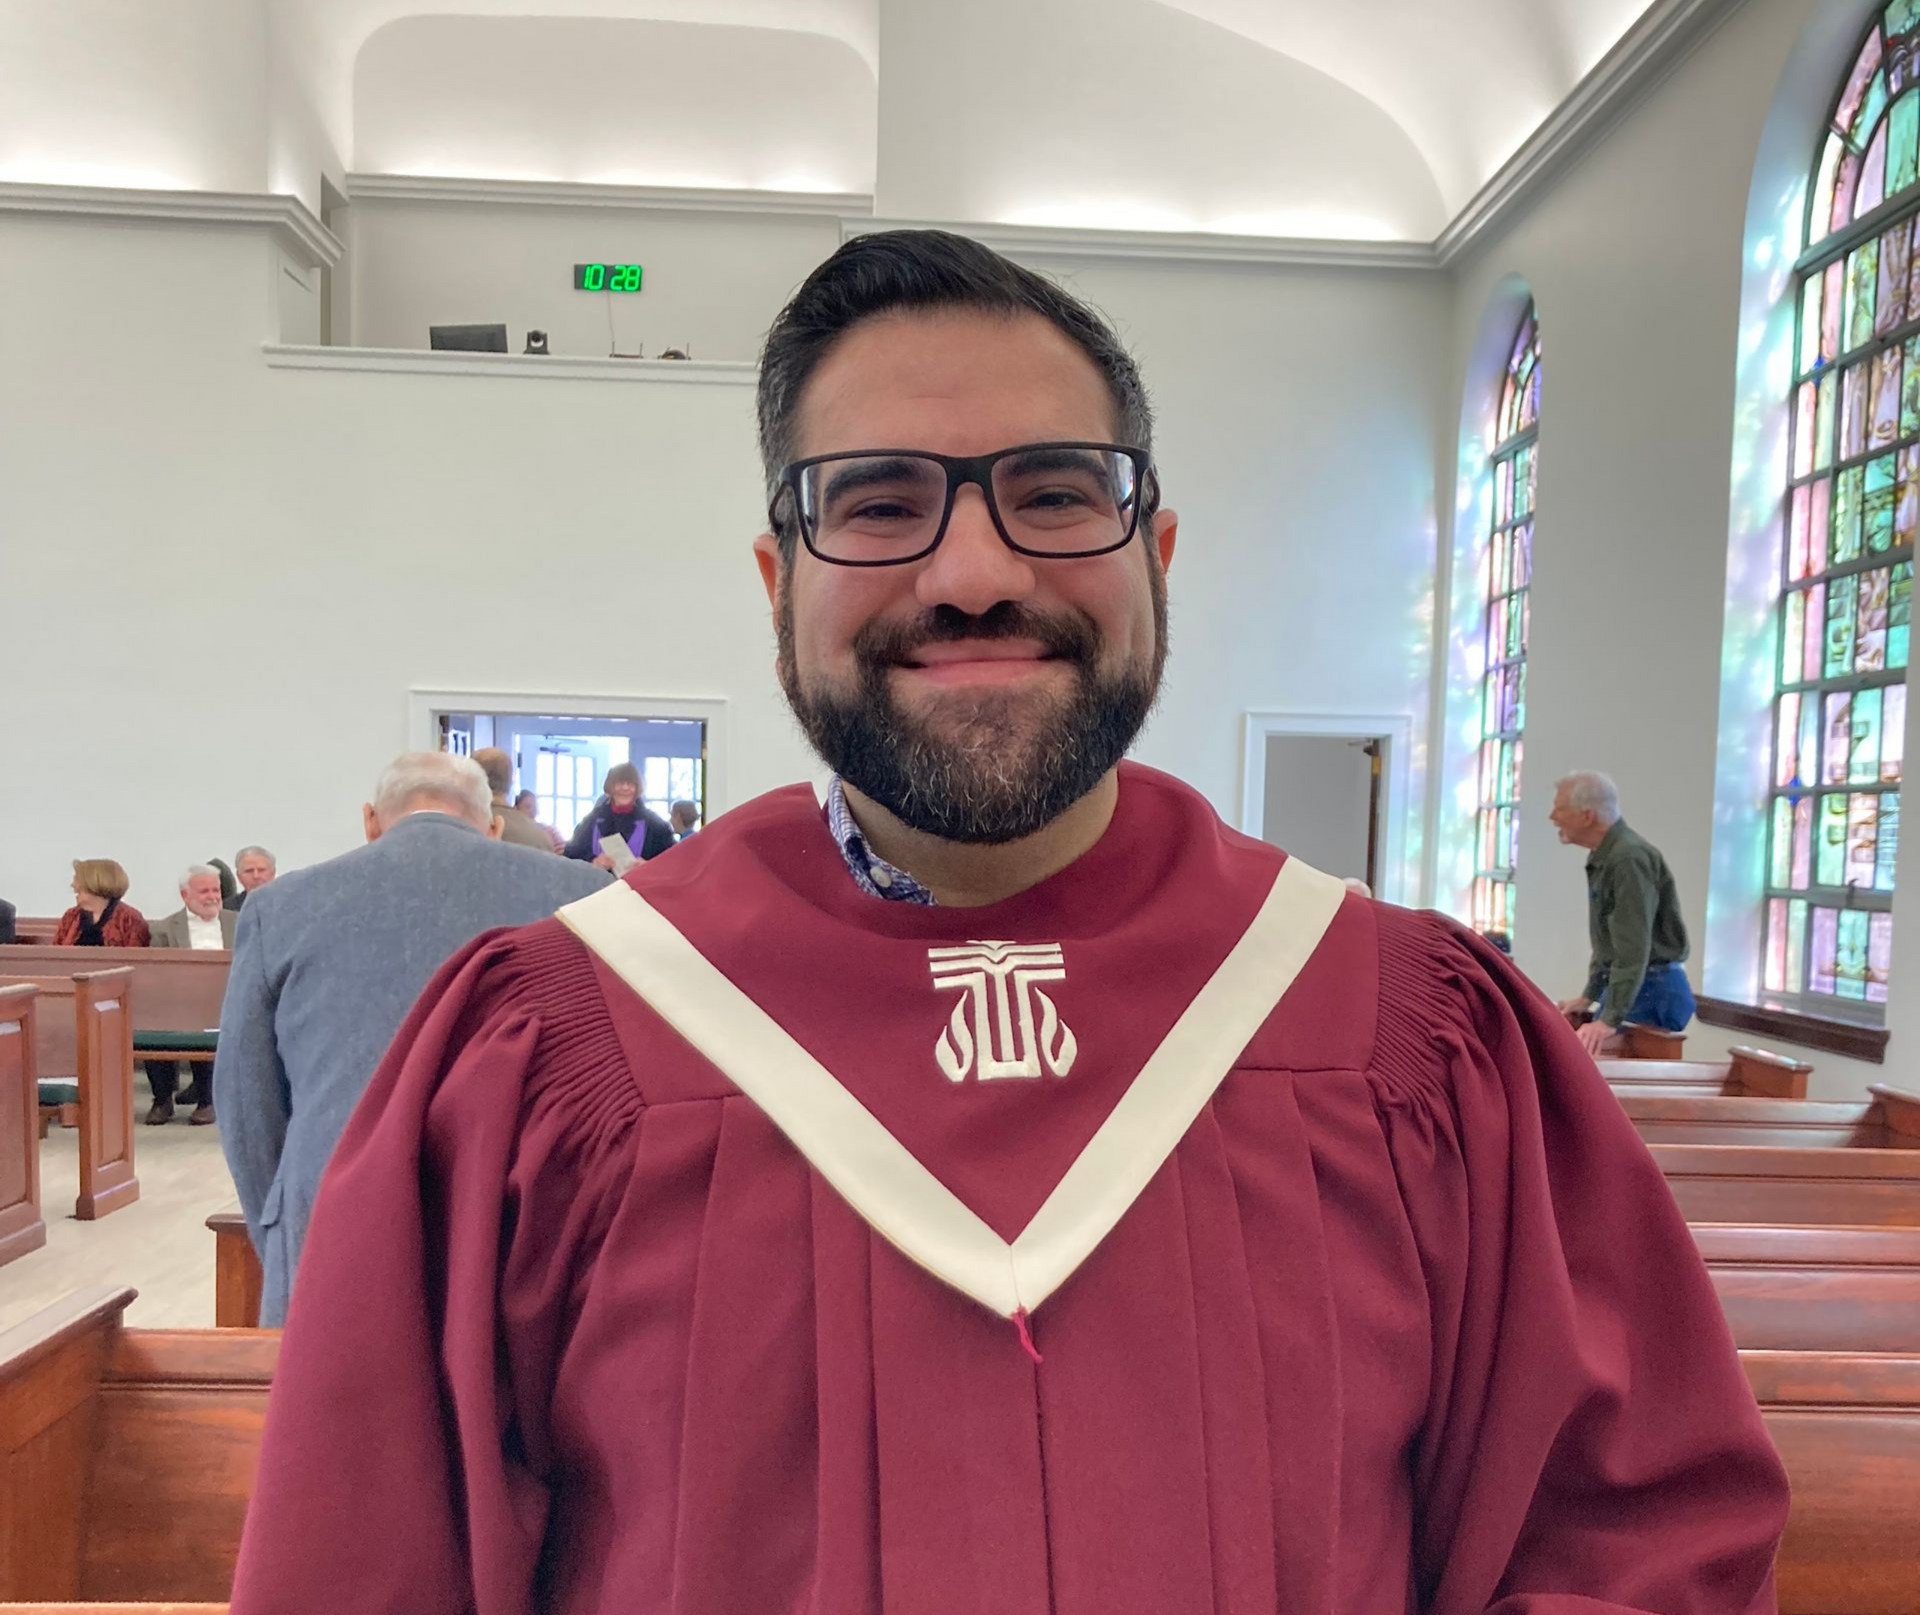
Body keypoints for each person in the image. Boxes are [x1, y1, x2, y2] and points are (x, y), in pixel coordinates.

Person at [230, 231, 1785, 1614]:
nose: (972, 573)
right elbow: (363, 1565)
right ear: (779, 583)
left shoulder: (1412, 1037)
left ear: (1154, 562)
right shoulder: (553, 1046)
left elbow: (1629, 1543)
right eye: (879, 504)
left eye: (1054, 494)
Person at [215, 752, 610, 1325]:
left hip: (335, 1217)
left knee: (337, 1409)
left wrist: (283, 1219)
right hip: (528, 1222)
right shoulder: (583, 893)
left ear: (371, 820)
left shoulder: (278, 907)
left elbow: (246, 1101)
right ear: (494, 824)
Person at [1550, 770, 1696, 1057]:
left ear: (1587, 816)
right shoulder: (1608, 853)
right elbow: (1609, 941)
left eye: (1560, 808)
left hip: (1652, 990)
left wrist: (1609, 1018)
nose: (1552, 816)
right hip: (1638, 986)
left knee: (1597, 1067)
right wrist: (1589, 995)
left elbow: (1633, 944)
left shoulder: (1628, 858)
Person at [147, 864, 236, 1124]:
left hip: (227, 1000)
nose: (212, 896)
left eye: (216, 890)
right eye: (204, 891)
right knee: (156, 1022)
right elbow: (158, 975)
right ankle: (162, 1100)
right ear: (185, 895)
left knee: (213, 1020)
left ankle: (208, 1101)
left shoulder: (238, 922)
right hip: (178, 1001)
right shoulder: (164, 929)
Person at [562, 760, 675, 867]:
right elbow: (571, 854)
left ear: (637, 788)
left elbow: (673, 859)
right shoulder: (591, 821)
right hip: (598, 884)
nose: (625, 788)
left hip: (639, 885)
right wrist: (593, 861)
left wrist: (649, 866)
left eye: (630, 784)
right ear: (610, 787)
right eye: (619, 783)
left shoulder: (656, 825)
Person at [473, 746, 559, 852]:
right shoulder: (541, 837)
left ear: (472, 778)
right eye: (528, 806)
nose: (534, 811)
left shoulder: (462, 825)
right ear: (510, 781)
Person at [53, 859, 148, 949]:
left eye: (78, 880)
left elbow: (135, 958)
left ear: (94, 883)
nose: (73, 885)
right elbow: (55, 953)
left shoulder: (129, 918)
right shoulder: (70, 916)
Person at [225, 846, 277, 911]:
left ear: (273, 873)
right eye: (249, 871)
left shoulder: (289, 903)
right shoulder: (227, 909)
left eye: (261, 870)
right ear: (239, 876)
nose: (256, 876)